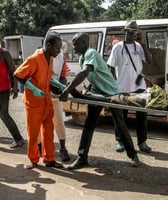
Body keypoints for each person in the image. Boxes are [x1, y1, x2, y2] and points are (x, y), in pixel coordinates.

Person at [59, 32, 140, 170]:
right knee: (89, 124)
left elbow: (84, 72)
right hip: (97, 92)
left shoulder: (91, 53)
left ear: (84, 43)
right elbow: (92, 76)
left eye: (76, 44)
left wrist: (67, 91)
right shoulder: (82, 58)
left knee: (120, 124)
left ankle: (133, 156)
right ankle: (82, 158)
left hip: (111, 93)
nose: (74, 47)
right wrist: (86, 89)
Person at [14, 32, 64, 170]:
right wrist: (32, 88)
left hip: (46, 101)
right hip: (34, 102)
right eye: (57, 48)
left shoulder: (51, 58)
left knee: (49, 130)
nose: (59, 51)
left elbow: (45, 77)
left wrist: (58, 84)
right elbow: (18, 75)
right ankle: (33, 159)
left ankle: (49, 159)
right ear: (48, 45)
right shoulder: (35, 58)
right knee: (33, 132)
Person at [107, 20, 153, 153]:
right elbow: (110, 67)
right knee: (121, 116)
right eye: (131, 31)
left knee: (142, 115)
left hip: (139, 85)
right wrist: (113, 85)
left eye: (135, 32)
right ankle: (120, 141)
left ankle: (142, 142)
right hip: (122, 86)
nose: (133, 34)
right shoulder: (117, 47)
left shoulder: (139, 47)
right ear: (126, 32)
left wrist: (143, 44)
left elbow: (149, 60)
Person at [37, 52, 70, 162]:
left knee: (59, 121)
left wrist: (61, 87)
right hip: (41, 94)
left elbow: (63, 75)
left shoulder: (60, 57)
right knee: (39, 121)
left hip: (55, 96)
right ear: (49, 45)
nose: (58, 49)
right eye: (57, 46)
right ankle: (39, 147)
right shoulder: (39, 55)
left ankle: (63, 148)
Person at [0, 47, 25, 149]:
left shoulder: (4, 53)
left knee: (4, 114)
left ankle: (19, 139)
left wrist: (15, 87)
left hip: (3, 90)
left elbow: (14, 72)